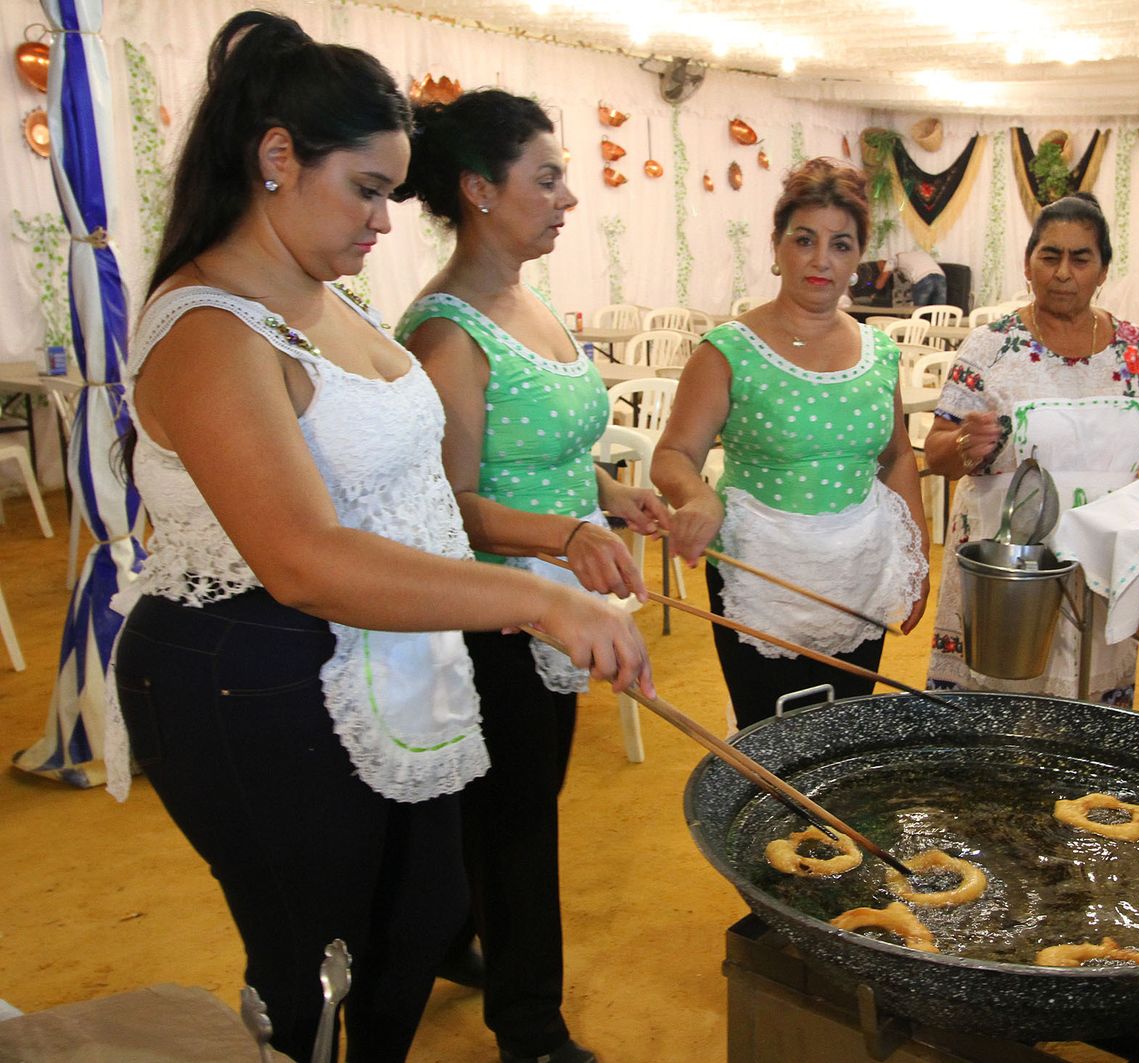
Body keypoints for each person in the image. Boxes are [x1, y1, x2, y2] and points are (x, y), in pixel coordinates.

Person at [108, 15, 650, 1063]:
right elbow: (303, 557)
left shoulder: (329, 299)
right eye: (366, 189)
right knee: (318, 961)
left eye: (391, 196)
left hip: (387, 659)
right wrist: (539, 596)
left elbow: (419, 493)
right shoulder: (209, 328)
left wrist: (567, 534)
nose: (384, 221)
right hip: (253, 676)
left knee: (418, 923)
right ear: (276, 158)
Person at [395, 88, 670, 1063]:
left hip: (551, 597)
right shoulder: (446, 333)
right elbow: (448, 505)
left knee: (517, 798)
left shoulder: (524, 297)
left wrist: (607, 493)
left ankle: (454, 941)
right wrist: (562, 534)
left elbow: (544, 440)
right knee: (517, 821)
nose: (567, 198)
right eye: (546, 177)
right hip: (491, 610)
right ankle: (530, 1026)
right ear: (477, 189)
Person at [653, 158, 930, 728]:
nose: (822, 260)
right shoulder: (728, 351)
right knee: (772, 730)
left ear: (859, 257)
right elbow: (673, 455)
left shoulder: (879, 354)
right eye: (805, 240)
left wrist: (916, 558)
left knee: (847, 730)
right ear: (777, 244)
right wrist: (698, 497)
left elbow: (898, 455)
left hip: (859, 568)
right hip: (762, 569)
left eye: (841, 244)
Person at [922, 192, 1139, 704]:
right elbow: (935, 453)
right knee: (998, 709)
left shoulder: (1133, 349)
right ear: (1028, 263)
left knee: (1089, 715)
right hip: (1008, 575)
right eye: (1050, 255)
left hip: (1104, 570)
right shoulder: (990, 347)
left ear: (1103, 269)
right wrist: (962, 443)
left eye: (1080, 257)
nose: (1064, 271)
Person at [876, 247, 947, 306]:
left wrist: (875, 291)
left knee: (918, 313)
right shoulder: (917, 254)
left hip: (922, 279)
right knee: (939, 312)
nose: (883, 270)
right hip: (941, 277)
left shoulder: (894, 258)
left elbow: (880, 284)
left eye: (882, 268)